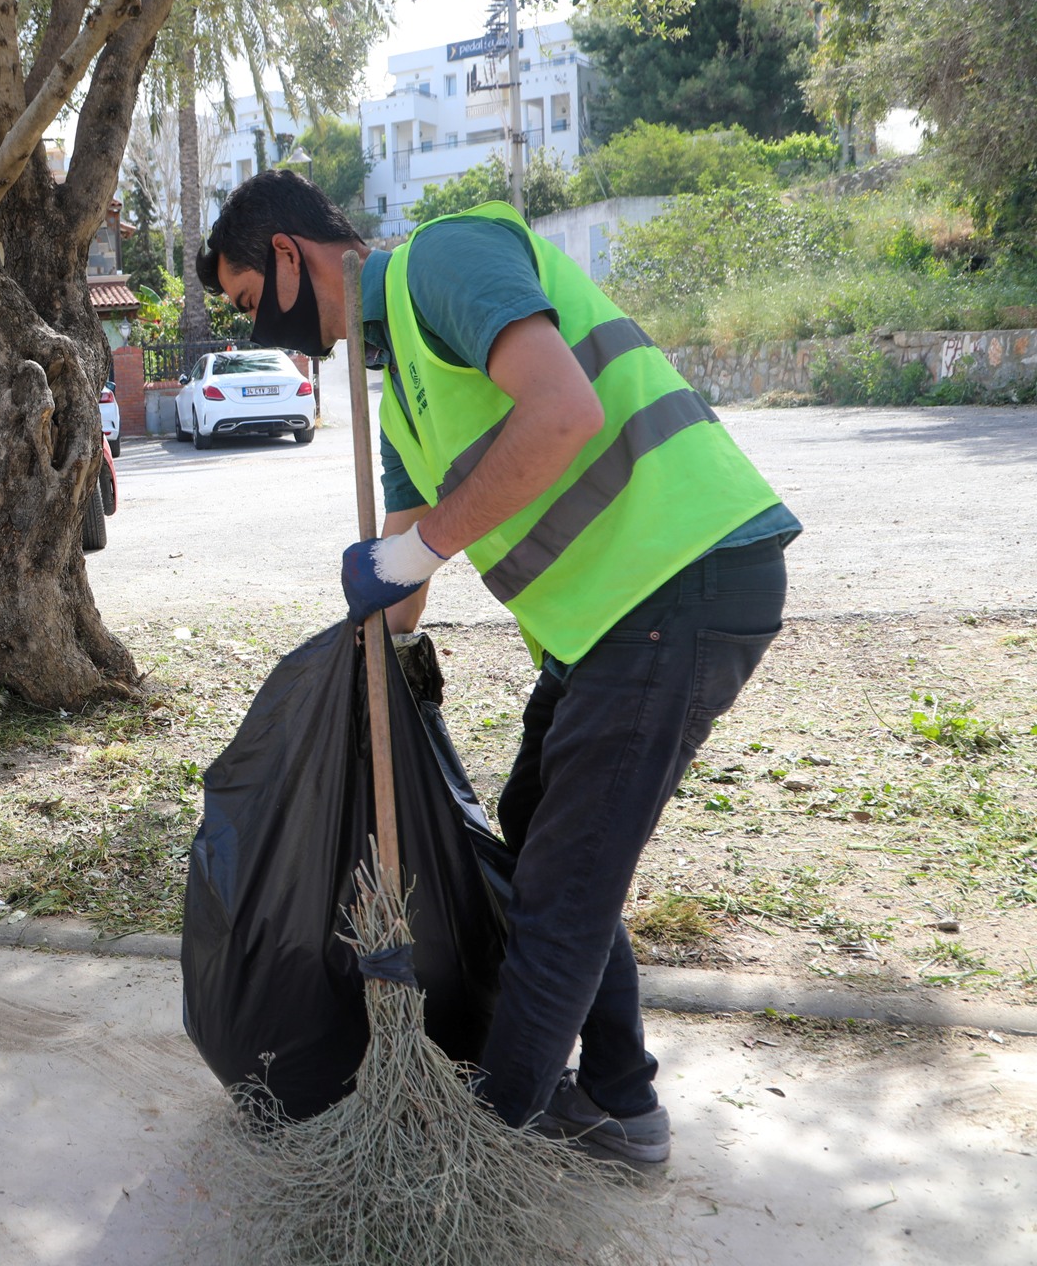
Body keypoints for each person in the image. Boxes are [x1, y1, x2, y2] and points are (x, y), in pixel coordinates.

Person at [201, 171, 798, 1167]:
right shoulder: (399, 407)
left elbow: (561, 413)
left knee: (565, 883)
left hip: (685, 580)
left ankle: (489, 1146)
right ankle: (620, 1101)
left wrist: (422, 546)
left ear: (292, 257)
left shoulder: (447, 259)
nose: (264, 328)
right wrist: (363, 665)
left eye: (254, 302)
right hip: (611, 624)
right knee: (538, 833)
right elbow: (398, 582)